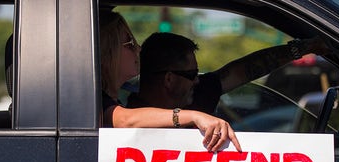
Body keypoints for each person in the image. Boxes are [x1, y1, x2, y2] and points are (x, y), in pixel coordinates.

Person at [99, 11, 241, 153]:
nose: (138, 48)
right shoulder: (96, 102)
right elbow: (124, 120)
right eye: (129, 43)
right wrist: (193, 116)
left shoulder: (108, 99)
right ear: (108, 52)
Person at [127, 32, 329, 115]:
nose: (197, 80)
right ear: (169, 79)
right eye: (191, 74)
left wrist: (302, 48)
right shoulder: (126, 121)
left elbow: (244, 69)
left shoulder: (195, 95)